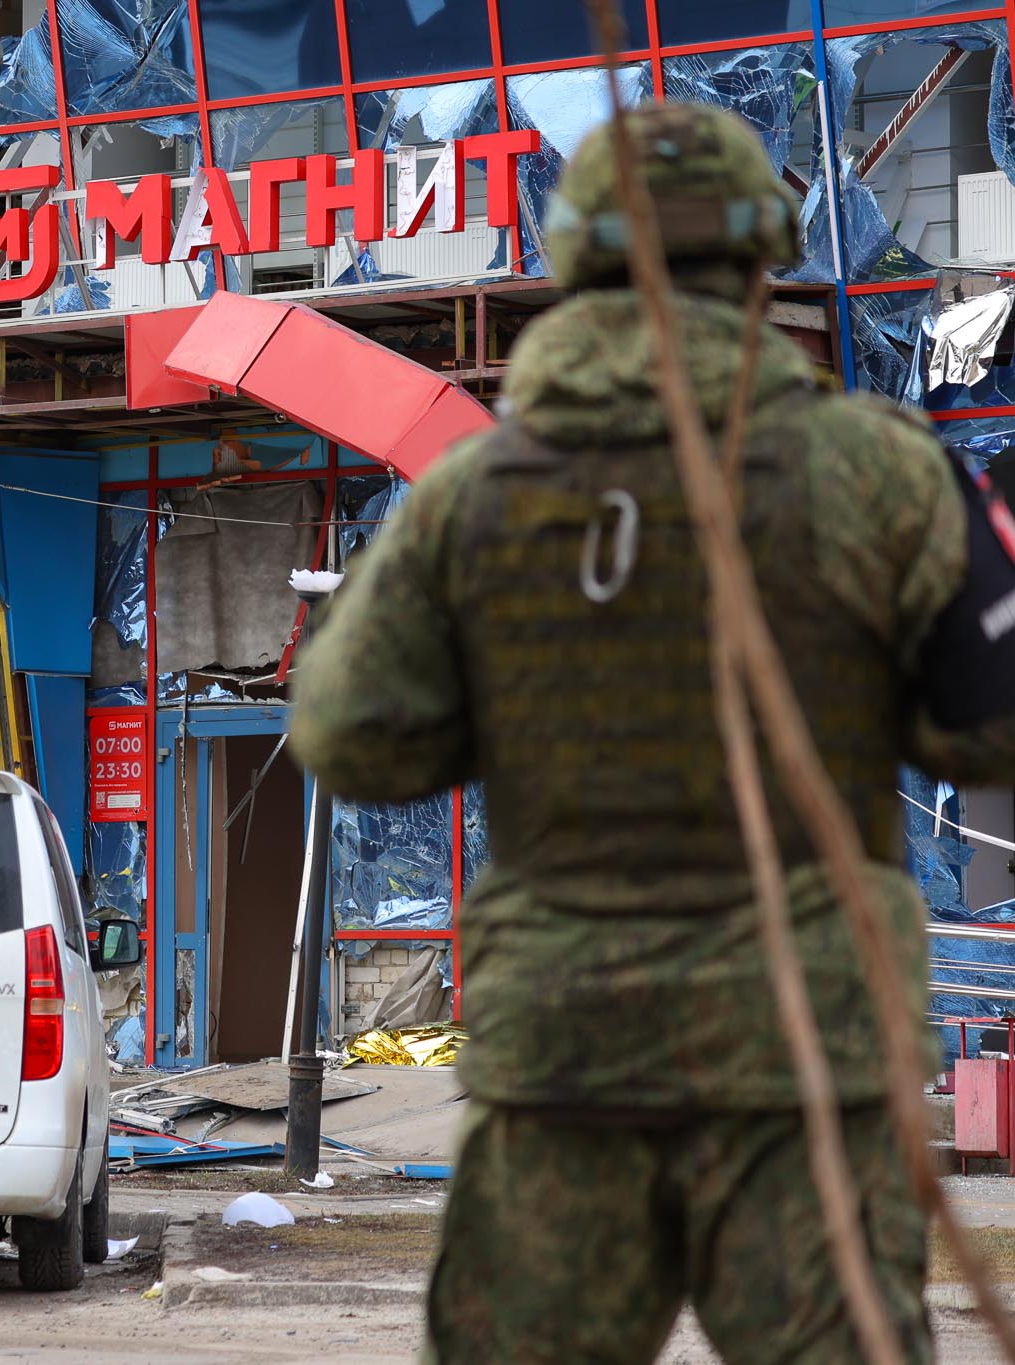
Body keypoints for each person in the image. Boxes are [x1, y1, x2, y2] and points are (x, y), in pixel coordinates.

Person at [290, 103, 988, 1363]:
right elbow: (988, 733)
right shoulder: (877, 471)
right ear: (764, 255)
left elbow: (352, 739)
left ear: (570, 260)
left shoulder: (475, 497)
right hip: (801, 1068)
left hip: (566, 1058)